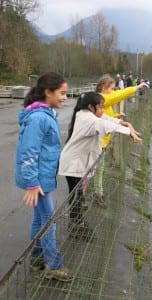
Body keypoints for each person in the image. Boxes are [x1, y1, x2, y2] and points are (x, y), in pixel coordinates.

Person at [15, 72, 73, 282]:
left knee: (41, 218)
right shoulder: (40, 118)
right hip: (38, 181)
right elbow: (28, 152)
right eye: (62, 93)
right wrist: (32, 183)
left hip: (43, 178)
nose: (65, 97)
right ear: (48, 92)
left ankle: (37, 257)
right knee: (49, 221)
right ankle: (54, 265)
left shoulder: (45, 114)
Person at [58, 92, 142, 223]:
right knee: (76, 194)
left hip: (76, 161)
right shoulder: (89, 119)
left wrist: (125, 124)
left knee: (77, 193)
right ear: (91, 107)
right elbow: (106, 125)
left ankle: (77, 220)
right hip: (74, 163)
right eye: (101, 107)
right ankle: (76, 222)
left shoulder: (85, 114)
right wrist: (128, 131)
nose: (103, 110)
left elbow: (107, 119)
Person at [94, 74, 148, 205]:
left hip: (103, 141)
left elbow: (106, 116)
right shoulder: (103, 98)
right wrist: (136, 88)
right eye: (111, 89)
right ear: (102, 87)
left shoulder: (103, 102)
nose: (113, 91)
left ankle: (97, 193)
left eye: (113, 88)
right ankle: (97, 194)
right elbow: (119, 95)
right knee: (96, 170)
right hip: (98, 142)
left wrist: (117, 115)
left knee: (98, 169)